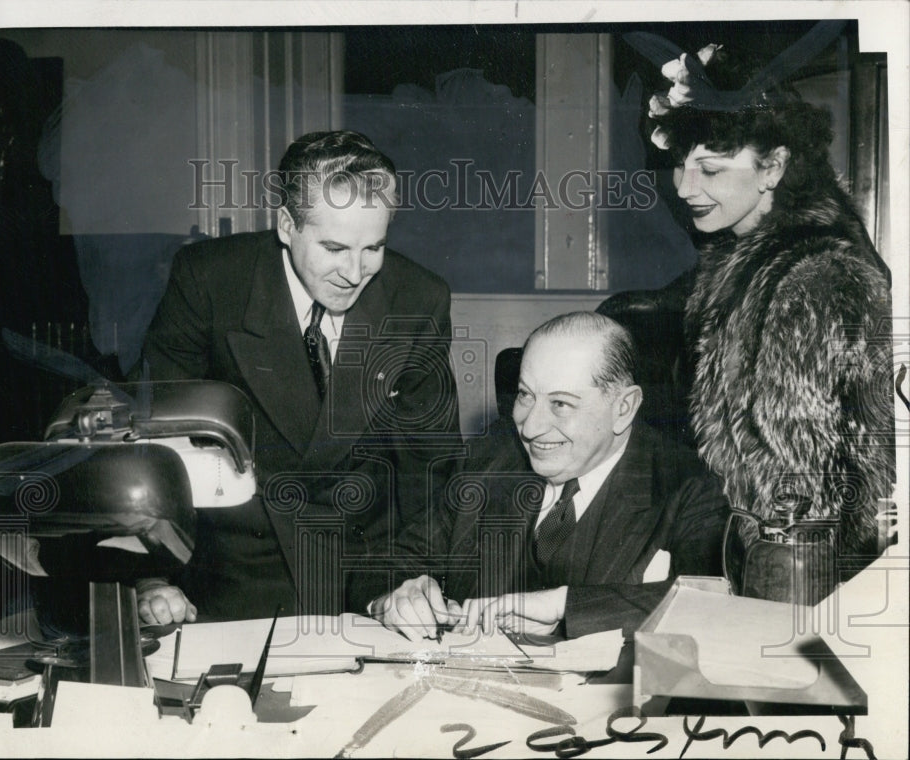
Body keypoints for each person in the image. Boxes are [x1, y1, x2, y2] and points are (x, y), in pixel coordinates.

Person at [137, 130, 461, 623]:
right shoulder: (209, 280)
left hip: (368, 574)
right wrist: (154, 578)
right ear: (287, 225)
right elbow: (156, 443)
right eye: (334, 247)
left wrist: (406, 585)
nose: (355, 272)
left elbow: (431, 470)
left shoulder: (419, 299)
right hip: (231, 571)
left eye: (374, 247)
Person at [630, 31, 893, 570]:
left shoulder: (814, 281)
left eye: (710, 169)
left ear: (773, 168)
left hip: (792, 567)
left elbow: (804, 495)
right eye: (680, 164)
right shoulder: (735, 258)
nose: (683, 188)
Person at [365, 312, 728, 641]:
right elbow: (382, 567)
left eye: (560, 404)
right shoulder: (491, 456)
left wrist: (563, 606)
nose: (530, 427)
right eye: (525, 395)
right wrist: (392, 597)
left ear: (623, 408)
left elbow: (712, 608)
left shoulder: (691, 486)